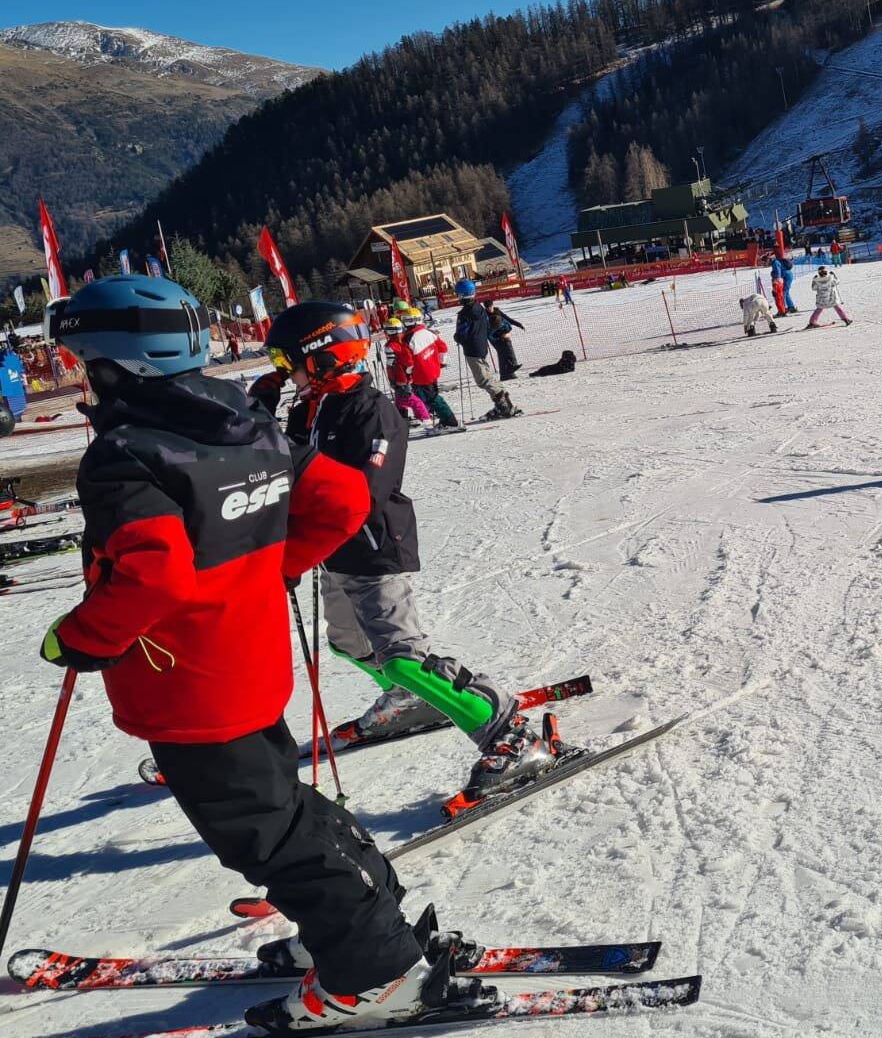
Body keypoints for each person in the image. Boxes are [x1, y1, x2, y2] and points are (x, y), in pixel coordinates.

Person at [38, 275, 452, 1029]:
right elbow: (342, 499)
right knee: (284, 808)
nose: (78, 374)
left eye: (80, 360)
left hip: (190, 688)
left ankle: (375, 970)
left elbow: (154, 575)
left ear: (114, 362)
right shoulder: (241, 417)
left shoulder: (128, 451)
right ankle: (363, 923)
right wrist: (271, 567)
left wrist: (80, 637)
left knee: (264, 834)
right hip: (252, 665)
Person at [265, 302, 556, 800]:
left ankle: (505, 727)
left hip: (371, 550)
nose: (284, 373)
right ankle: (411, 697)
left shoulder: (371, 410)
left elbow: (364, 494)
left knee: (400, 655)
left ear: (322, 357)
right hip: (330, 553)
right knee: (347, 643)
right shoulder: (311, 407)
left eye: (284, 362)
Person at [452, 281, 520, 420]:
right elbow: (487, 326)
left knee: (482, 379)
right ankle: (505, 403)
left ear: (461, 295)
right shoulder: (479, 308)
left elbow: (463, 334)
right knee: (487, 375)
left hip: (472, 349)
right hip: (481, 346)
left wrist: (457, 337)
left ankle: (503, 406)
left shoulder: (464, 314)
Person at [399, 307, 461, 431]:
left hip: (421, 374)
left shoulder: (408, 338)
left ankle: (450, 422)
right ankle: (444, 419)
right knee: (431, 396)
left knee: (432, 398)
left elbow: (408, 361)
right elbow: (443, 347)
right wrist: (441, 361)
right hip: (433, 370)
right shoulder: (428, 332)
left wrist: (408, 372)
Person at [487, 304, 524, 378]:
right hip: (495, 338)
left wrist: (507, 333)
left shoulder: (499, 314)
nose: (489, 308)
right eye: (487, 307)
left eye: (490, 306)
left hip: (503, 335)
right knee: (503, 352)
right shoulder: (486, 319)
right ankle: (509, 370)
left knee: (504, 353)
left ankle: (507, 373)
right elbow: (489, 336)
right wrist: (498, 338)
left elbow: (509, 323)